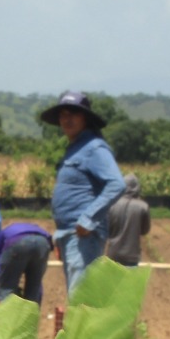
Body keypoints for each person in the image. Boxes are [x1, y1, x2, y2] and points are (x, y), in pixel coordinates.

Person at [42, 91, 126, 295]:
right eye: (63, 115)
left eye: (73, 114)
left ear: (85, 118)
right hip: (69, 234)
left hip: (83, 235)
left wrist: (88, 218)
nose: (67, 119)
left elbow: (116, 184)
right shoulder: (75, 148)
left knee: (81, 298)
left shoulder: (94, 148)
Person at [0, 221, 53, 304]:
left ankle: (9, 311)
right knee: (34, 287)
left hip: (17, 240)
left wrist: (0, 281)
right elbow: (51, 243)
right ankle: (32, 310)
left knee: (7, 288)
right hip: (43, 241)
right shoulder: (30, 228)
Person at [105, 173, 151, 267]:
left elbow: (106, 229)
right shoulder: (143, 207)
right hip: (132, 256)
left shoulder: (111, 205)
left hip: (113, 254)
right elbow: (145, 231)